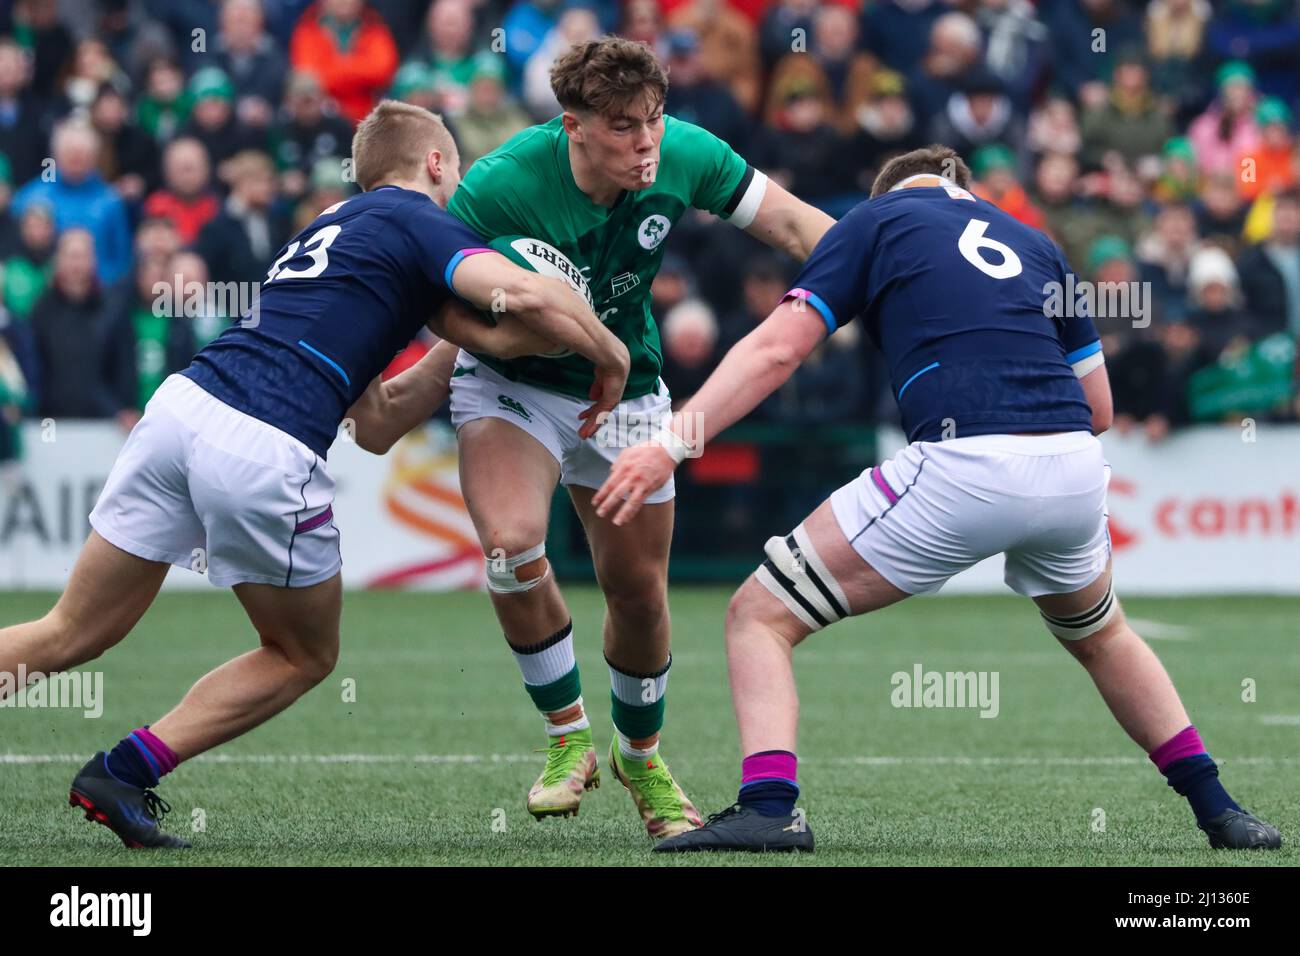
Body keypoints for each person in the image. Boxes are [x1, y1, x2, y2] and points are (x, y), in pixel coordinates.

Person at [594, 145, 1283, 854]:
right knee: (1103, 634)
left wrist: (672, 442)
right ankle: (1220, 809)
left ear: (887, 188)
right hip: (1074, 467)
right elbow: (1099, 407)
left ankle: (771, 808)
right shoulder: (1036, 242)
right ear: (966, 191)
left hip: (963, 463)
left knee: (758, 616)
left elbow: (777, 350)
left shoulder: (876, 219)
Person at [0, 100, 628, 850]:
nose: (458, 185)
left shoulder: (330, 227)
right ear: (433, 164)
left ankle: (119, 774)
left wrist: (466, 350)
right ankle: (124, 770)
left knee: (71, 628)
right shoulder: (418, 218)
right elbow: (519, 292)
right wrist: (607, 349)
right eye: (454, 167)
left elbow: (378, 422)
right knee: (303, 654)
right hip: (264, 444)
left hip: (183, 409)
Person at [414, 35, 835, 840]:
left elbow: (791, 222)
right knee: (510, 544)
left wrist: (888, 265)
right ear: (572, 125)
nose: (646, 143)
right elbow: (430, 293)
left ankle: (639, 754)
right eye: (622, 128)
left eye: (654, 120)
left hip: (632, 392)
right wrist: (504, 343)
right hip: (516, 387)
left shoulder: (682, 152)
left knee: (638, 596)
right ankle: (567, 736)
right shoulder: (502, 184)